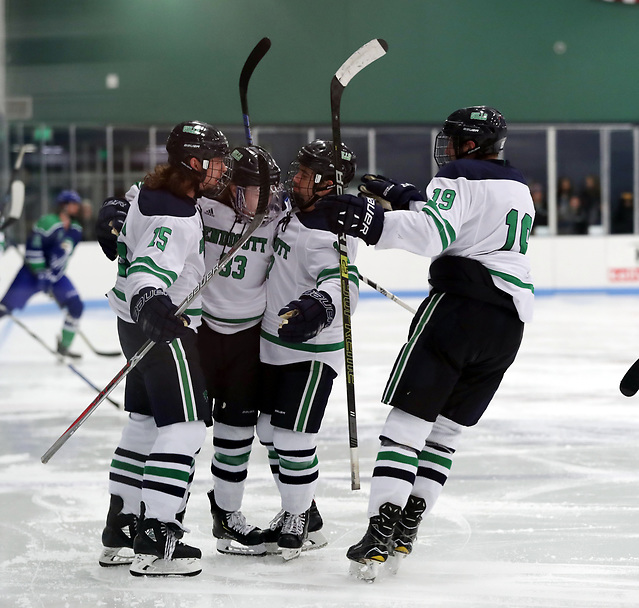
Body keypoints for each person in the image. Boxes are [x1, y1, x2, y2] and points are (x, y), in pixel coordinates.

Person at [314, 106, 534, 580]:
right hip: (508, 326)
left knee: (406, 425)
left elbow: (436, 234)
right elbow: (467, 224)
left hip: (458, 312)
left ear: (469, 144)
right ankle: (407, 525)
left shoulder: (457, 174)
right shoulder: (518, 185)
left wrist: (371, 220)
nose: (447, 148)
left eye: (453, 140)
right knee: (445, 434)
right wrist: (410, 197)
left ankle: (379, 530)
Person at [97, 120, 230, 577]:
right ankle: (156, 538)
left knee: (144, 424)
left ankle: (122, 527)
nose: (221, 169)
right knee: (187, 427)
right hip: (161, 326)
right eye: (214, 161)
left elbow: (128, 201)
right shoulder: (175, 212)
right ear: (194, 164)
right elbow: (152, 265)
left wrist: (111, 209)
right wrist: (151, 298)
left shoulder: (155, 189)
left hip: (132, 325)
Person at [256, 139, 360, 560]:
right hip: (271, 343)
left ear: (324, 183)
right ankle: (304, 510)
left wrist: (319, 304)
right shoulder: (294, 209)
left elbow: (342, 284)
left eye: (303, 173)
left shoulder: (329, 228)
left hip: (311, 351)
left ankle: (298, 519)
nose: (294, 178)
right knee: (268, 433)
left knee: (293, 438)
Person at [0, 189, 84, 357]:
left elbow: (64, 254)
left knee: (76, 306)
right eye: (73, 204)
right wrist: (41, 272)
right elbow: (33, 247)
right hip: (30, 274)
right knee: (4, 308)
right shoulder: (48, 222)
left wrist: (52, 275)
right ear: (64, 205)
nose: (77, 207)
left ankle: (64, 347)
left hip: (55, 277)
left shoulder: (76, 229)